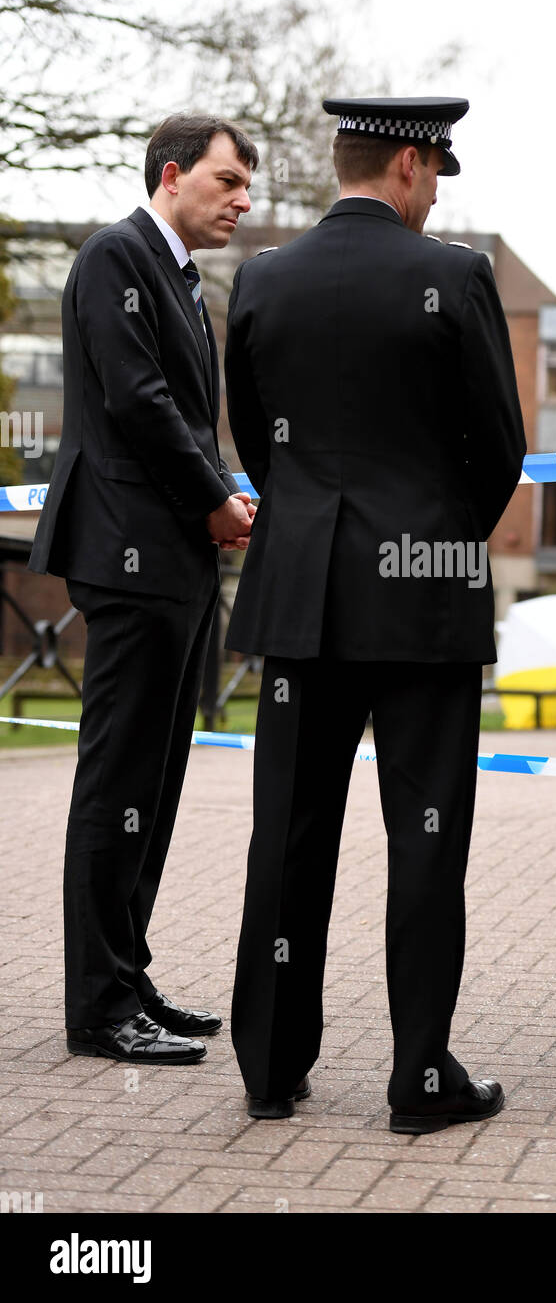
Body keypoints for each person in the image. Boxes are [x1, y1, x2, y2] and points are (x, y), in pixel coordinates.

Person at [225, 95, 526, 1131]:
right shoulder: (453, 276)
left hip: (300, 594)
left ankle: (268, 1065)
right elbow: (498, 443)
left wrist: (311, 522)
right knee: (425, 834)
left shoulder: (260, 277)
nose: (436, 190)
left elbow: (260, 446)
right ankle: (417, 1076)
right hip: (424, 596)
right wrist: (439, 531)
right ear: (405, 166)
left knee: (289, 833)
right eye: (435, 171)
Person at [28, 114, 259, 1064]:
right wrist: (213, 499)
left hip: (174, 560)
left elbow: (180, 417)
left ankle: (128, 978)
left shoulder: (176, 274)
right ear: (172, 175)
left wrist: (223, 485)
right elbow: (137, 401)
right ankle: (97, 1007)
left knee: (155, 784)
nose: (242, 199)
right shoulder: (115, 257)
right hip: (131, 556)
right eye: (227, 180)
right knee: (117, 778)